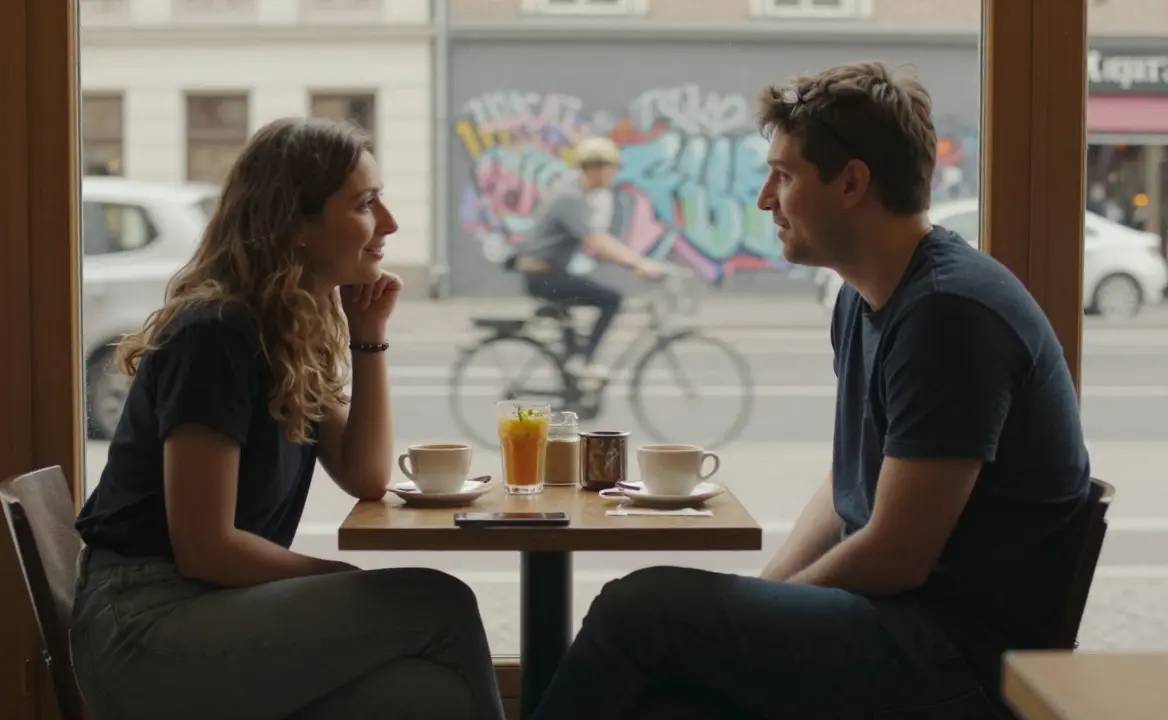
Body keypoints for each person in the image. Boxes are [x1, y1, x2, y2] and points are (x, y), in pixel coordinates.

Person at [531, 61, 1092, 719]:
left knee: (639, 608)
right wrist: (765, 602)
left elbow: (897, 556)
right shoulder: (866, 299)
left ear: (852, 181)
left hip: (958, 655)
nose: (766, 199)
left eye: (785, 175)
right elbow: (848, 480)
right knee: (668, 688)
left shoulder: (949, 313)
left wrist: (756, 614)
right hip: (899, 624)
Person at [70, 117, 505, 720]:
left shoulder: (281, 328)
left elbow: (366, 475)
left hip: (205, 609)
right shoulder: (215, 335)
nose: (390, 224)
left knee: (429, 696)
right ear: (295, 225)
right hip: (146, 629)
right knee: (440, 601)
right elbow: (206, 549)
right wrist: (340, 580)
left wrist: (368, 337)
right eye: (366, 204)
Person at [513, 136, 664, 378]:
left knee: (581, 300)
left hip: (549, 272)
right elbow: (595, 240)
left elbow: (596, 240)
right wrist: (637, 263)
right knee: (610, 299)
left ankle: (573, 372)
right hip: (543, 276)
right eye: (611, 168)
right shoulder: (570, 198)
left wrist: (631, 261)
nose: (613, 175)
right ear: (595, 168)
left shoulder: (576, 194)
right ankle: (582, 360)